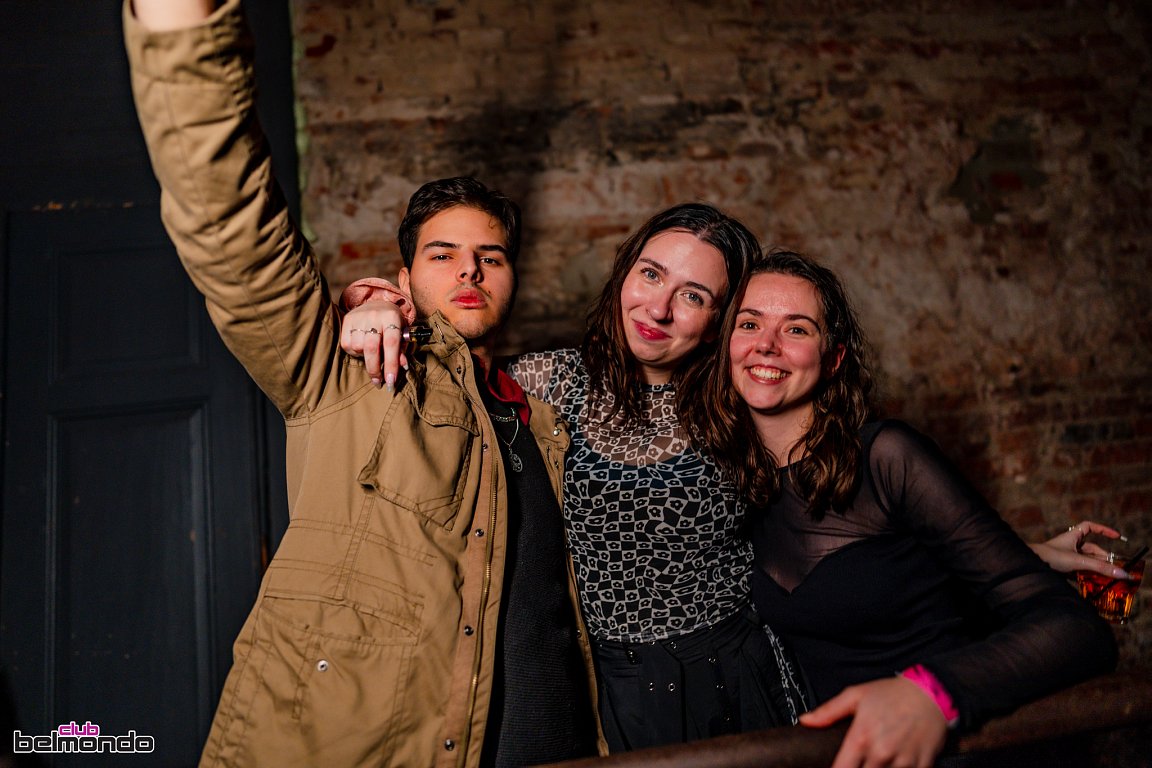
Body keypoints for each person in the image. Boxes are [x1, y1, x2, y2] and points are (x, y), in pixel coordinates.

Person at [123, 1, 602, 766]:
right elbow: (234, 230)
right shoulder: (349, 374)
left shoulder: (547, 424)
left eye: (491, 257)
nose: (471, 270)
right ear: (401, 277)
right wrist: (182, 30)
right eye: (443, 254)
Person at [341, 203, 808, 752]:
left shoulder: (743, 398)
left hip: (730, 676)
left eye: (693, 296)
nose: (658, 308)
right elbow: (439, 373)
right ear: (625, 274)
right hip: (603, 686)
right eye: (651, 274)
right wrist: (377, 304)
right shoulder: (552, 381)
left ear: (717, 322)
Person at [703, 249, 1119, 768]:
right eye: (749, 324)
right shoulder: (730, 486)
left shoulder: (887, 458)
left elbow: (1077, 630)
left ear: (833, 359)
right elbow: (897, 570)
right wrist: (1030, 550)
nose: (766, 344)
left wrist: (931, 692)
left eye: (797, 329)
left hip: (955, 753)